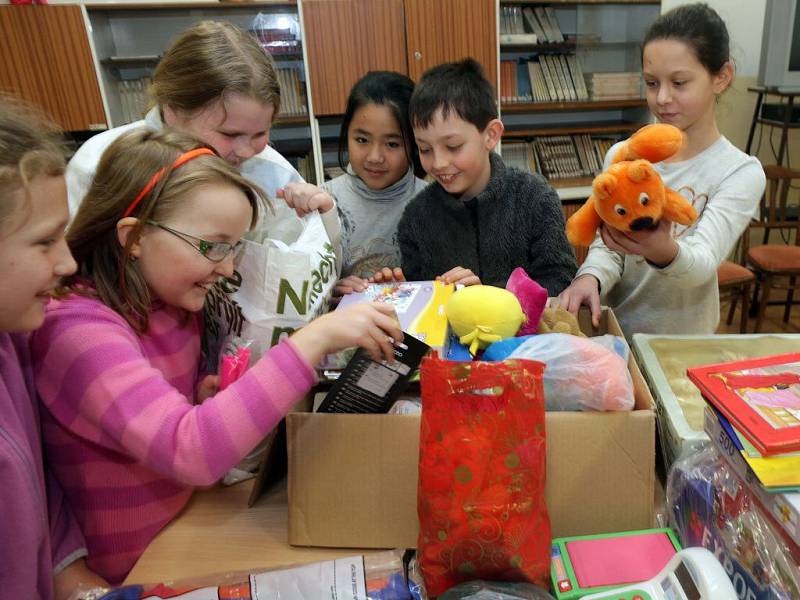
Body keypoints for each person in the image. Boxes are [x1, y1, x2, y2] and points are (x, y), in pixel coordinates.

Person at [30, 129, 402, 584]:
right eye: (213, 246)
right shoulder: (78, 332)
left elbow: (170, 427)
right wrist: (310, 341)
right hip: (131, 573)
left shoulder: (168, 304)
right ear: (135, 238)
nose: (227, 268)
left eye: (235, 247)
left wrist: (204, 398)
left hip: (187, 524)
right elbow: (190, 450)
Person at [558, 3, 766, 336]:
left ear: (722, 77)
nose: (662, 98)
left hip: (681, 347)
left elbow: (702, 263)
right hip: (615, 334)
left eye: (680, 83)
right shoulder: (623, 155)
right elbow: (607, 242)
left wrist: (662, 250)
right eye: (652, 83)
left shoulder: (739, 172)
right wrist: (590, 276)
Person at [66, 20, 339, 251]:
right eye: (229, 133)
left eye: (260, 132)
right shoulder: (100, 165)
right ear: (171, 110)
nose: (245, 151)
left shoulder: (272, 170)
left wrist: (319, 213)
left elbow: (304, 263)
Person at [0, 97, 107, 599]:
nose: (68, 262)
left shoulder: (13, 342)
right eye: (45, 242)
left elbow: (40, 490)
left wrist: (72, 577)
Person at [396, 58, 577, 293]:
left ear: (491, 135)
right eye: (425, 149)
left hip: (527, 330)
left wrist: (490, 299)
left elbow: (560, 280)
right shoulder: (416, 217)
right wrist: (398, 291)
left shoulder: (535, 198)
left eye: (452, 146)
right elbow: (419, 303)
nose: (438, 163)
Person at [323, 71, 427, 296]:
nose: (374, 157)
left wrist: (415, 287)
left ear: (415, 144)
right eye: (362, 140)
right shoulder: (323, 203)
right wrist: (332, 293)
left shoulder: (433, 203)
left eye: (392, 144)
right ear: (346, 133)